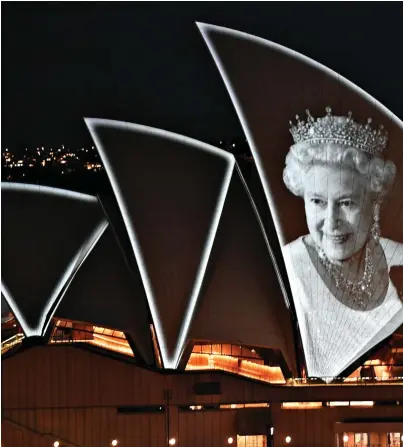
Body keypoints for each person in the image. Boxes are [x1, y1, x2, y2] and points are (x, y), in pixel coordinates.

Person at [282, 107, 403, 379]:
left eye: (346, 203)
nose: (331, 220)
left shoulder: (398, 256)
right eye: (317, 202)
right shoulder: (288, 265)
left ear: (374, 201)